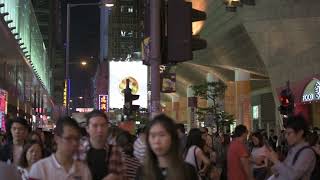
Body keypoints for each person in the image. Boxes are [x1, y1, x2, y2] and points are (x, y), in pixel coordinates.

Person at [135, 114, 198, 180]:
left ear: (173, 138)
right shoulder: (142, 172)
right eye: (153, 136)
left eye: (162, 135)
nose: (157, 141)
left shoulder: (188, 171)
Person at [77, 110, 125, 180]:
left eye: (103, 125)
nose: (100, 130)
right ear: (87, 129)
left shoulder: (116, 151)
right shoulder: (78, 151)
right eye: (95, 126)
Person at [267, 115, 316, 180]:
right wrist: (275, 167)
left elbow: (292, 176)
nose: (286, 137)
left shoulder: (307, 152)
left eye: (289, 133)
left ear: (300, 133)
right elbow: (285, 169)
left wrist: (276, 161)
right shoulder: (293, 149)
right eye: (286, 133)